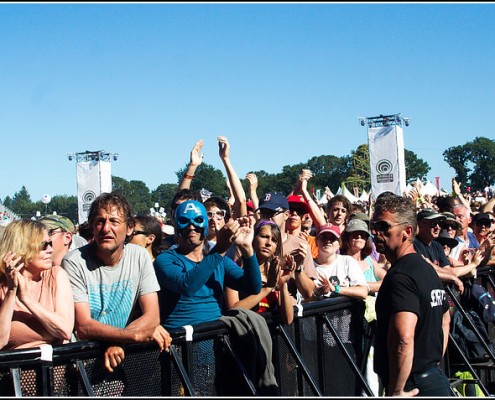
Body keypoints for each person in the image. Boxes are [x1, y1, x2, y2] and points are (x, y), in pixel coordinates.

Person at [62, 192, 171, 373]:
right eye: (100, 221)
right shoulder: (74, 262)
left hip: (123, 357)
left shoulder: (139, 256)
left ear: (129, 228)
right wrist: (131, 335)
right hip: (83, 361)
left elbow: (152, 316)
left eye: (114, 221)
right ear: (92, 227)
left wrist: (119, 342)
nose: (106, 229)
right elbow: (84, 326)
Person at [371, 193, 451, 397]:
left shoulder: (400, 277)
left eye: (383, 227)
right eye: (374, 226)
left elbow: (403, 338)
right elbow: (445, 318)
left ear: (407, 231)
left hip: (412, 385)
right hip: (431, 377)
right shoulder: (426, 270)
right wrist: (430, 363)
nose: (375, 232)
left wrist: (397, 391)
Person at [154, 200, 262, 329]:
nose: (191, 227)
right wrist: (220, 249)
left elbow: (253, 287)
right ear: (176, 225)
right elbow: (187, 286)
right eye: (184, 221)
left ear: (206, 225)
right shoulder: (165, 260)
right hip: (181, 340)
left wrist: (247, 249)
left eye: (198, 220)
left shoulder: (219, 260)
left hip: (215, 336)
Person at [0, 219, 74, 350]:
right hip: (15, 367)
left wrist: (26, 300)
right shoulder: (2, 286)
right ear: (21, 248)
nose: (50, 250)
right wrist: (11, 291)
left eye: (50, 244)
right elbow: (1, 341)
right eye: (43, 245)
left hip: (54, 367)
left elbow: (65, 330)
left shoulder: (56, 276)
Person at [225, 220, 295, 325]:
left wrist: (282, 283)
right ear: (253, 238)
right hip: (245, 334)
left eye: (274, 240)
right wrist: (268, 288)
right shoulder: (235, 269)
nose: (268, 243)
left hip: (271, 337)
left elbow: (288, 319)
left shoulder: (275, 274)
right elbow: (233, 309)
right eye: (264, 236)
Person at [257, 192, 317, 301]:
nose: (267, 218)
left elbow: (308, 293)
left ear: (286, 214)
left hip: (286, 311)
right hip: (256, 311)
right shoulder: (251, 243)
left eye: (272, 213)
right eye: (263, 213)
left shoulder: (299, 245)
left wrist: (298, 268)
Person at [310, 223, 369, 301]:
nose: (328, 241)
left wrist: (335, 289)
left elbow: (363, 292)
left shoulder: (347, 261)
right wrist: (316, 294)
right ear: (316, 242)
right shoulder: (309, 265)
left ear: (339, 244)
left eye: (332, 238)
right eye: (323, 237)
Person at [340, 218, 386, 295]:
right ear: (347, 238)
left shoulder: (369, 261)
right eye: (354, 234)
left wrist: (362, 287)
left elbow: (387, 280)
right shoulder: (340, 261)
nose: (359, 236)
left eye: (362, 235)